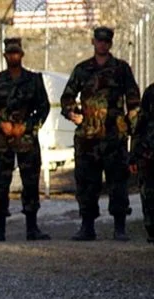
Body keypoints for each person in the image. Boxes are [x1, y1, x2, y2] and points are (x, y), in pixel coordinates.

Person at [60, 26, 141, 241]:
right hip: (88, 136)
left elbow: (133, 100)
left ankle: (120, 227)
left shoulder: (121, 69)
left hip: (114, 136)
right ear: (93, 42)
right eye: (99, 41)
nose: (102, 44)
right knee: (87, 183)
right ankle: (87, 226)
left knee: (118, 183)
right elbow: (66, 98)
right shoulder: (82, 69)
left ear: (110, 44)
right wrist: (72, 113)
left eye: (106, 41)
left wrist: (133, 127)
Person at [0, 37, 52, 241]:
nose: (13, 56)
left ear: (22, 54)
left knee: (30, 183)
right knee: (1, 185)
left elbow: (43, 108)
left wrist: (27, 126)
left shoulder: (34, 80)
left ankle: (32, 228)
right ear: (5, 55)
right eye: (10, 53)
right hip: (2, 142)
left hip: (27, 140)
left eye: (16, 53)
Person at [129, 80, 154, 244]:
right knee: (149, 194)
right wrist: (134, 155)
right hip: (149, 154)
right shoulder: (151, 92)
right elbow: (140, 126)